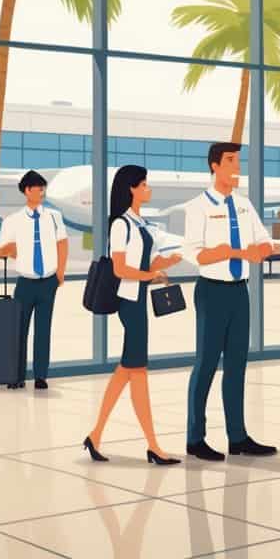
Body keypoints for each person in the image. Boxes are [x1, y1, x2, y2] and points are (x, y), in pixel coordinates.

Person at [183, 142, 279, 461]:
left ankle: (237, 437)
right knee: (207, 364)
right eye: (230, 160)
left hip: (239, 291)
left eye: (238, 160)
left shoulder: (243, 204)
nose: (236, 166)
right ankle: (195, 438)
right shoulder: (197, 207)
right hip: (212, 291)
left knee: (237, 365)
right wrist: (234, 252)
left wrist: (262, 250)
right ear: (214, 165)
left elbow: (263, 241)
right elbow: (195, 254)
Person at [83, 166, 184, 466]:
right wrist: (150, 275)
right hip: (129, 303)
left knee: (128, 372)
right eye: (144, 184)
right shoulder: (120, 225)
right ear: (131, 189)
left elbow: (147, 260)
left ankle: (96, 434)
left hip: (138, 302)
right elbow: (119, 269)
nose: (148, 188)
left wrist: (170, 261)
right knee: (136, 372)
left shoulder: (140, 223)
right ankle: (153, 446)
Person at [0, 170, 68, 390]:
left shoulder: (54, 217)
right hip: (25, 284)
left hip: (48, 282)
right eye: (38, 188)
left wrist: (60, 273)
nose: (42, 192)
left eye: (43, 188)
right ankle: (17, 375)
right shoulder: (13, 221)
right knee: (19, 331)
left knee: (43, 330)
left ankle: (41, 375)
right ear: (27, 191)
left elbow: (62, 244)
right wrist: (11, 250)